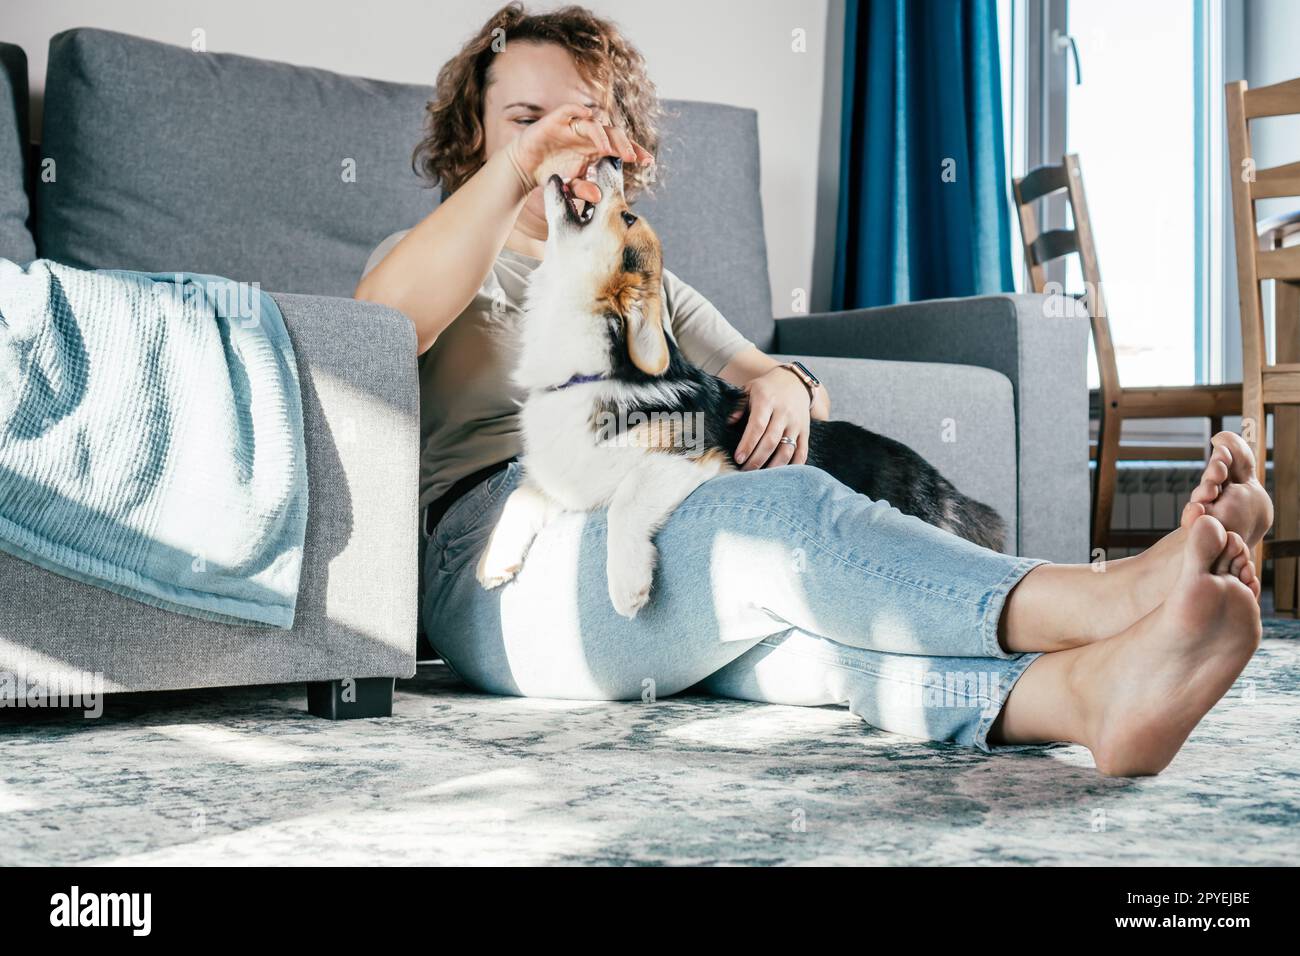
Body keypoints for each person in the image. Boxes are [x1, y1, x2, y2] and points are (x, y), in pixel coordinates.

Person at [356, 2, 1272, 776]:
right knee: (779, 518)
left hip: (635, 535)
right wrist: (518, 169)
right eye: (524, 119)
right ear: (474, 131)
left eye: (578, 121)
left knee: (808, 639)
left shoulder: (632, 268)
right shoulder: (430, 254)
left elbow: (768, 375)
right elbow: (380, 322)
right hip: (492, 567)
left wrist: (789, 385)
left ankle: (1086, 699)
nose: (555, 143)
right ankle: (1107, 596)